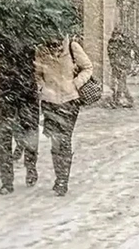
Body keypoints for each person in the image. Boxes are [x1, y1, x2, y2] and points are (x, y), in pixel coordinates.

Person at [35, 35, 92, 196]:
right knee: (55, 141)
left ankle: (62, 180)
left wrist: (75, 83)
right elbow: (37, 74)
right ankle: (59, 175)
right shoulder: (41, 50)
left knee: (64, 140)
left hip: (69, 101)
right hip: (50, 102)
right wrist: (42, 88)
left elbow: (88, 67)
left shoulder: (72, 47)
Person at [0, 29, 40, 195]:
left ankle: (30, 167)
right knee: (5, 137)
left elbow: (37, 59)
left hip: (25, 93)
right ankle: (7, 180)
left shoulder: (33, 33)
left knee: (29, 132)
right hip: (7, 93)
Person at [107, 29, 137, 107]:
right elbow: (111, 54)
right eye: (114, 36)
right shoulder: (112, 42)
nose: (115, 37)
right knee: (116, 84)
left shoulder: (126, 42)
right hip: (116, 65)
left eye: (117, 35)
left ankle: (117, 101)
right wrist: (114, 64)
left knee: (121, 83)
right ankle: (128, 100)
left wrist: (129, 64)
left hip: (123, 66)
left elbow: (131, 52)